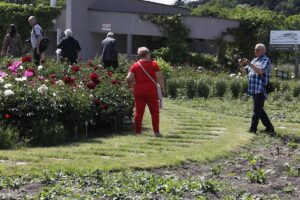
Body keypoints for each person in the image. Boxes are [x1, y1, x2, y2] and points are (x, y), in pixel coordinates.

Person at [126, 47, 166, 137]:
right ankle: (156, 132)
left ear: (139, 55)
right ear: (148, 54)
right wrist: (163, 89)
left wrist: (131, 86)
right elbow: (160, 77)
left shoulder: (135, 65)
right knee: (154, 112)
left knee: (138, 112)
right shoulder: (154, 64)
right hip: (151, 91)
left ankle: (138, 132)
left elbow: (129, 78)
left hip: (139, 91)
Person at [239, 43, 276, 136]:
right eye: (255, 49)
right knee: (260, 110)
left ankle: (253, 129)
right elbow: (244, 73)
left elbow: (260, 71)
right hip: (253, 89)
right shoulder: (254, 60)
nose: (256, 51)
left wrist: (249, 63)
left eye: (258, 49)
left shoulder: (266, 60)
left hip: (261, 89)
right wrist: (241, 65)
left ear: (264, 51)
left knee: (256, 110)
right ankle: (270, 128)